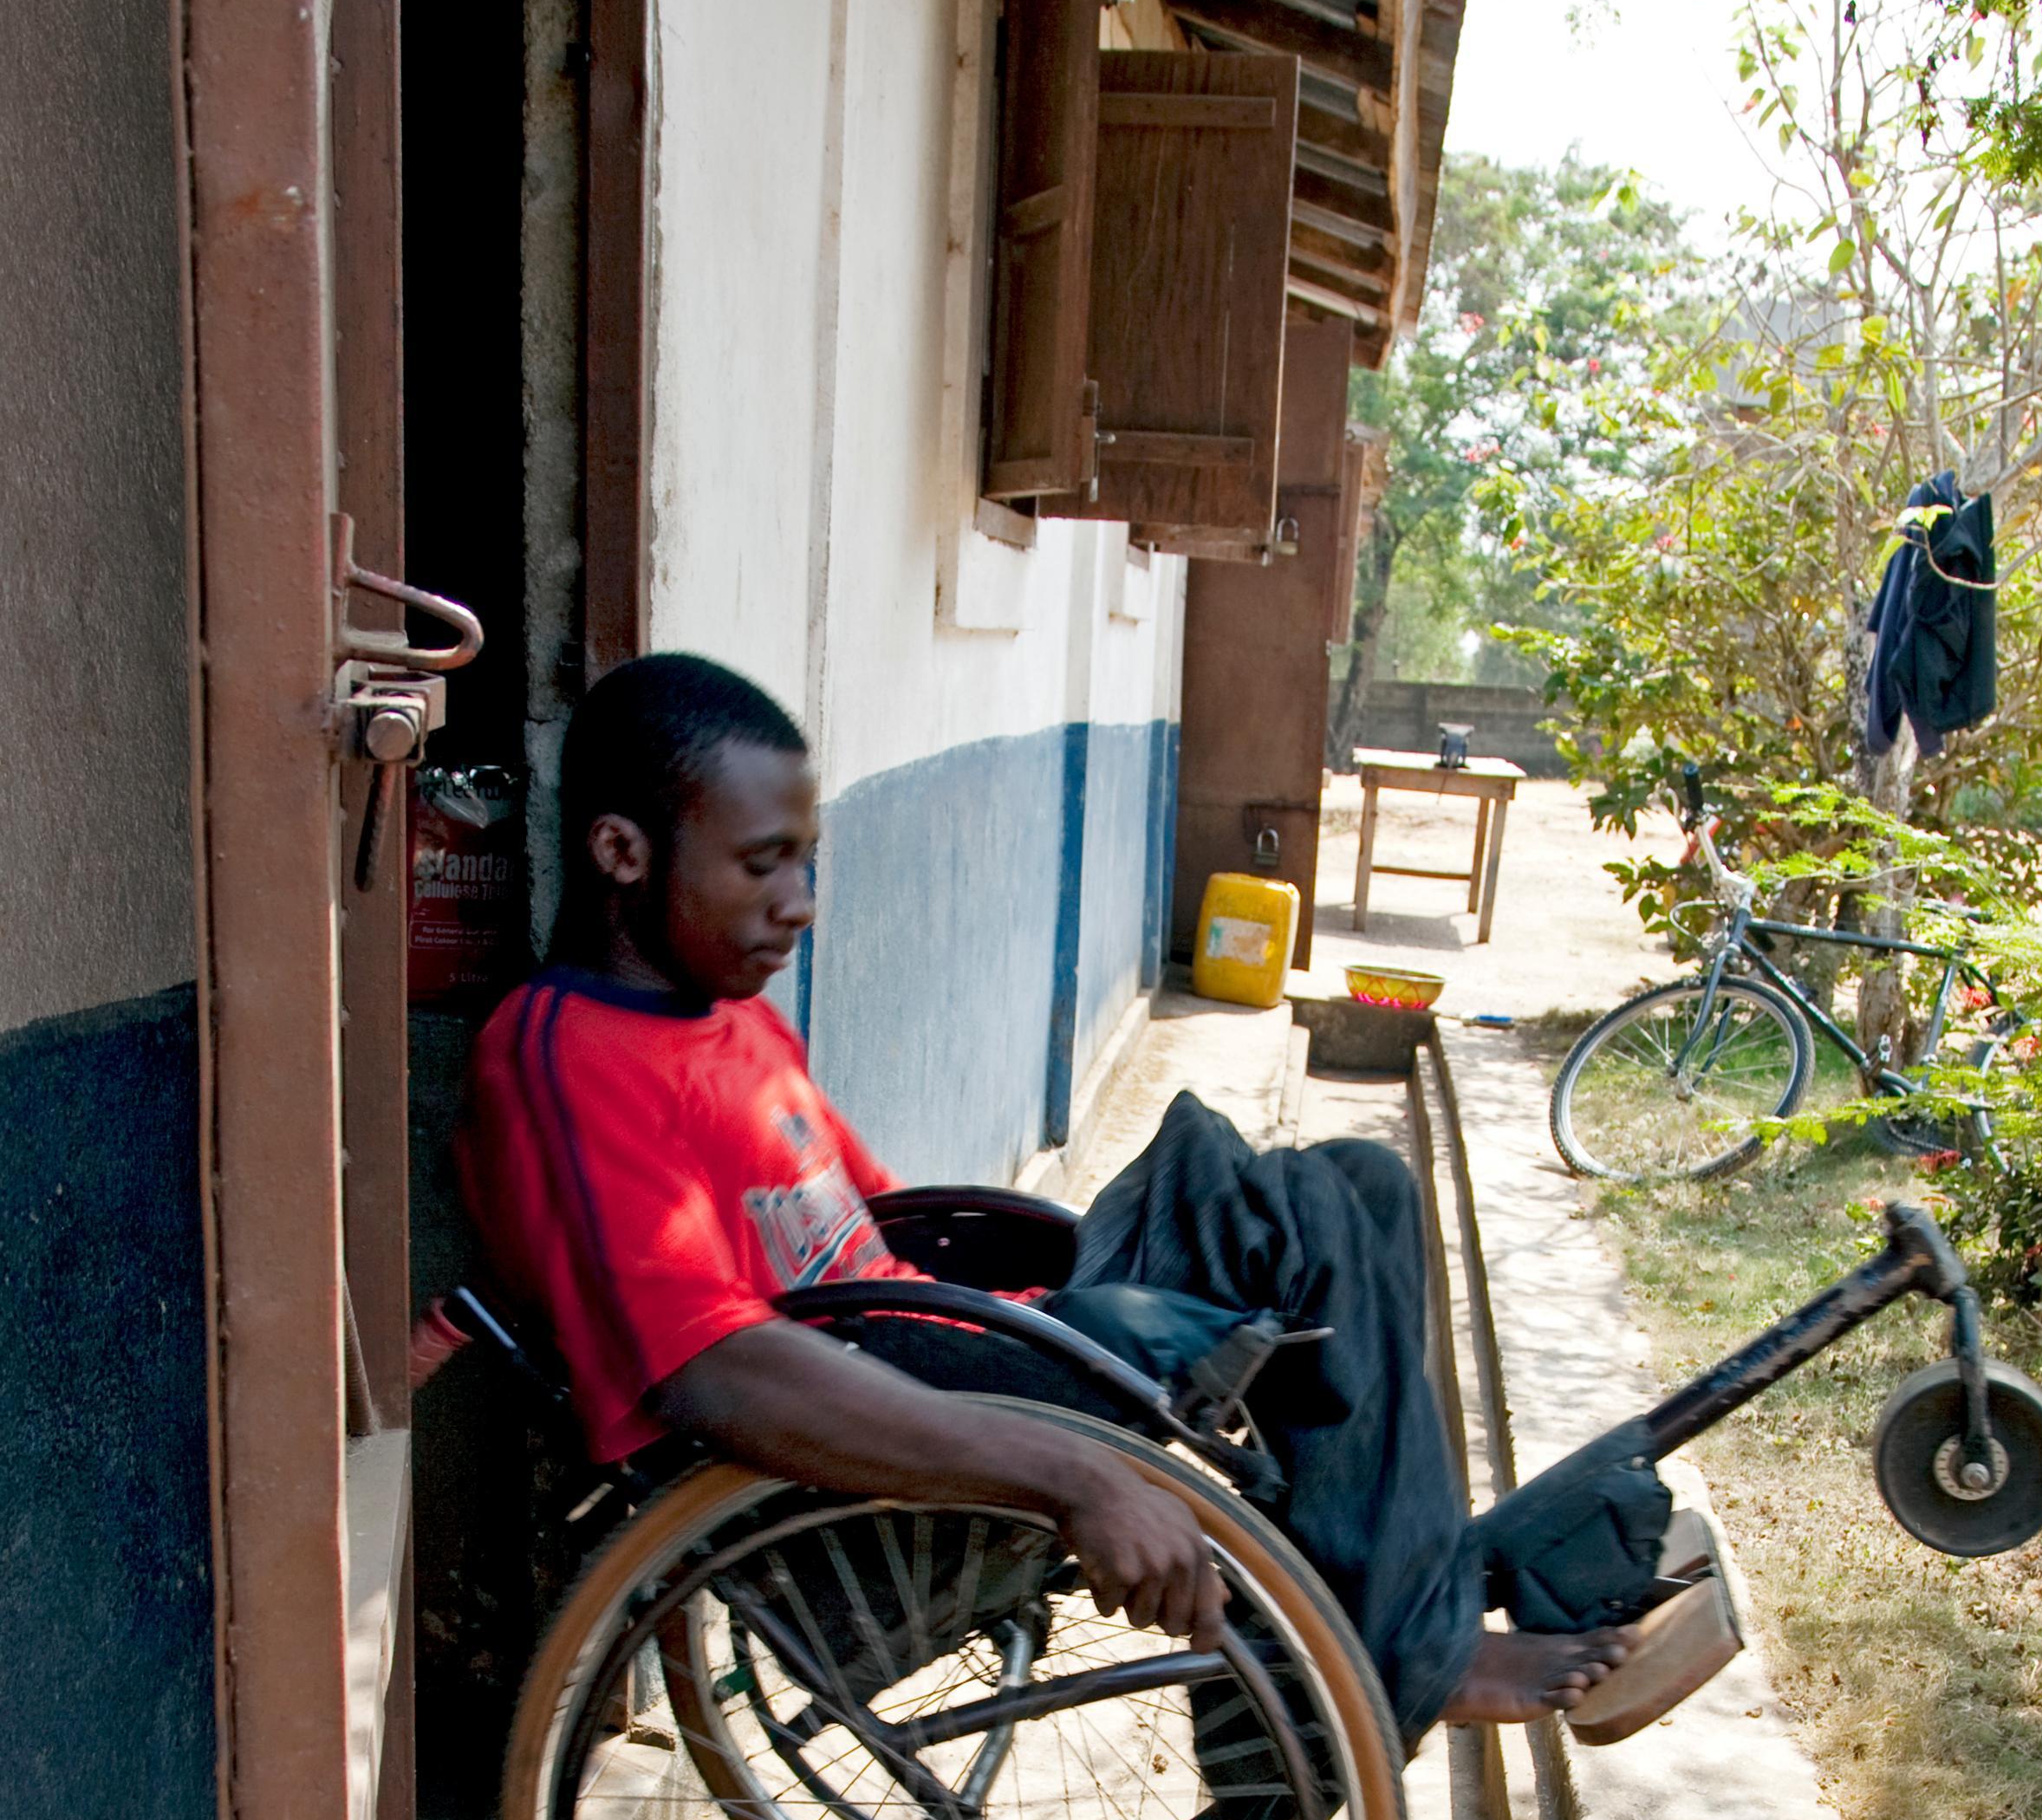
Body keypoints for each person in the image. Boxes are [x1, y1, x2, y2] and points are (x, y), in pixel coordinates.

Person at [454, 653, 1630, 1733]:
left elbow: (880, 1232)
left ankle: (1401, 1612)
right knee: (1306, 1220)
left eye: (806, 860)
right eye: (762, 864)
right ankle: (1411, 1653)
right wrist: (1073, 1471)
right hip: (870, 1424)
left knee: (1359, 1185)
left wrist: (1027, 1296)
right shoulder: (568, 1056)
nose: (800, 899)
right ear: (622, 852)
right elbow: (711, 1370)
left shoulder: (736, 1023)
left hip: (961, 1345)